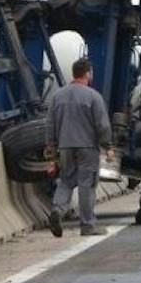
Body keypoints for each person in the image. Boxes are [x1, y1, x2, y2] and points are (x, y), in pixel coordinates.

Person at [44, 57, 113, 238]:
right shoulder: (93, 96)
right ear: (87, 74)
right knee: (86, 185)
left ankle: (57, 211)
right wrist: (108, 146)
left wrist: (51, 153)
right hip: (87, 148)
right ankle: (88, 226)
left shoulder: (57, 97)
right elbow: (102, 125)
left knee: (66, 181)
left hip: (65, 147)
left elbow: (50, 125)